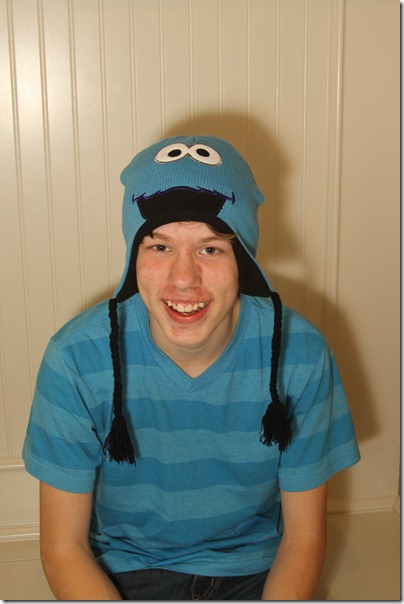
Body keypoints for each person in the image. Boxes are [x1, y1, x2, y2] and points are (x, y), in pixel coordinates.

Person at [22, 135, 360, 600]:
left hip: (256, 567)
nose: (184, 279)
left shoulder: (301, 354)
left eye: (210, 249)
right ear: (133, 256)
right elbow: (64, 549)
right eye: (160, 247)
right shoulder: (76, 359)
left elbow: (303, 539)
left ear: (243, 258)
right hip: (127, 571)